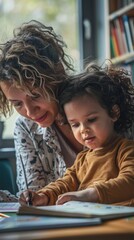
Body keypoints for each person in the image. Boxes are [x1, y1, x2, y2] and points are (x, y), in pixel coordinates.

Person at [19, 63, 134, 206]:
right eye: (75, 124)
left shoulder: (126, 150)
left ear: (114, 113)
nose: (83, 130)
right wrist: (44, 196)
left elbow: (130, 181)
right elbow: (65, 184)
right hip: (91, 221)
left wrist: (89, 194)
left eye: (91, 120)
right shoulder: (82, 160)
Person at [0, 20, 83, 201]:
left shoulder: (100, 106)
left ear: (57, 74)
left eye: (36, 95)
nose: (30, 112)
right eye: (17, 104)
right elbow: (33, 199)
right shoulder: (26, 128)